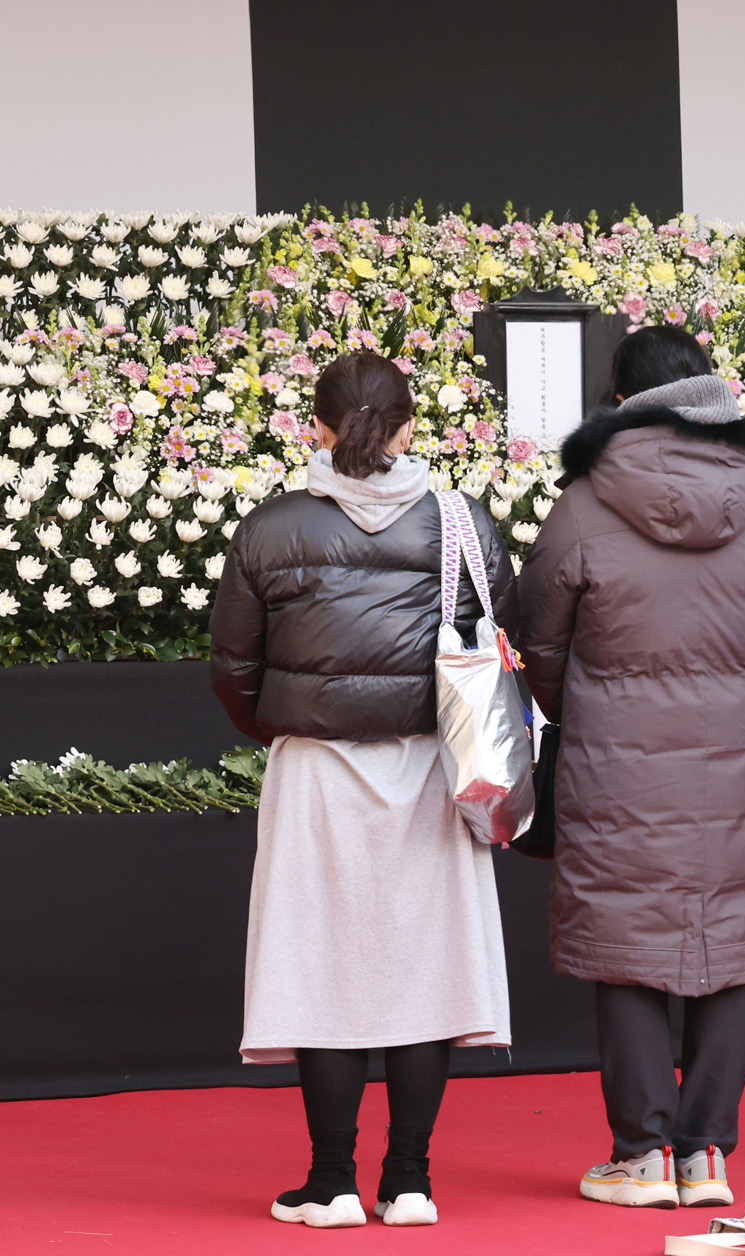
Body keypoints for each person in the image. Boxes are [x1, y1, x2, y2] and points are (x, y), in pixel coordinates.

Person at [209, 351, 515, 1229]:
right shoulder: (460, 523)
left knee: (320, 967)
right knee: (426, 967)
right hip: (431, 765)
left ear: (317, 426)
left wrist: (291, 728)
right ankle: (410, 1180)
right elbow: (506, 637)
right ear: (412, 425)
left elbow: (234, 668)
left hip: (315, 769)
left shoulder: (271, 529)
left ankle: (331, 1181)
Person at [518, 325, 745, 1209]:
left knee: (628, 943)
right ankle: (706, 1154)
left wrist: (582, 707)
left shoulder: (582, 504)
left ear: (618, 398)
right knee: (731, 941)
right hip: (732, 759)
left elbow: (542, 643)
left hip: (614, 759)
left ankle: (641, 1153)